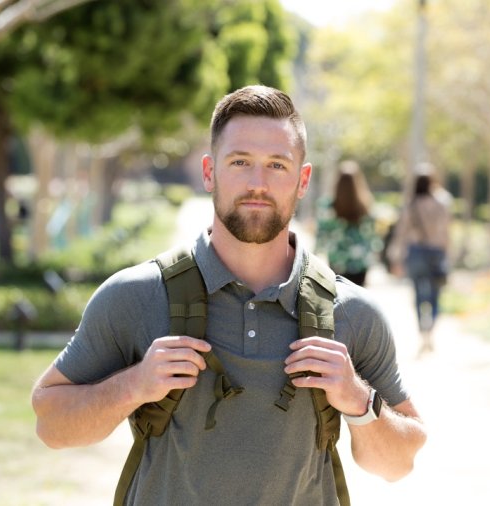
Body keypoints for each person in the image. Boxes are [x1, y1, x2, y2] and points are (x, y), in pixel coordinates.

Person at [31, 85, 427, 505]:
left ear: (303, 180)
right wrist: (133, 385)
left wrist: (358, 399)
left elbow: (398, 463)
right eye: (240, 162)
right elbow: (50, 424)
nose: (258, 183)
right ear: (209, 172)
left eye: (277, 165)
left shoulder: (351, 312)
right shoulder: (137, 295)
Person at [387, 168, 452, 354]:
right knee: (435, 294)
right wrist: (448, 253)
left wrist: (395, 258)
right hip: (437, 252)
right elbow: (447, 231)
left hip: (415, 253)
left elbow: (401, 233)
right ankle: (430, 330)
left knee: (418, 294)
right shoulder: (443, 202)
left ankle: (422, 333)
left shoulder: (411, 204)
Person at [314, 160, 382, 286]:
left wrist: (315, 254)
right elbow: (372, 236)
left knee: (339, 300)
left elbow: (321, 234)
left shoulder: (327, 206)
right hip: (360, 263)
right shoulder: (367, 205)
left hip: (337, 261)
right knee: (358, 301)